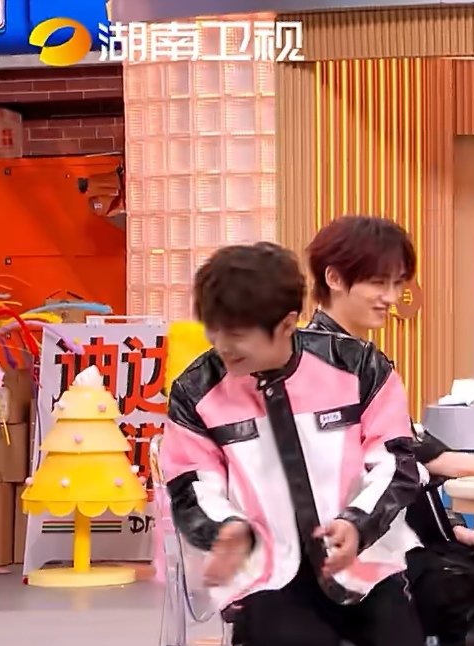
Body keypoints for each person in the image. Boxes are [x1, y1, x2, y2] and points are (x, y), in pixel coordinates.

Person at [302, 215, 474, 644]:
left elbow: (409, 447)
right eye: (378, 283)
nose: (392, 298)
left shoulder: (361, 359)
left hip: (415, 541)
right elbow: (381, 463)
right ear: (333, 278)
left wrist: (451, 525)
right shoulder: (314, 366)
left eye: (397, 284)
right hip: (362, 554)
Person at [160, 242, 427, 646]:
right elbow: (191, 485)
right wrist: (227, 529)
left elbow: (396, 463)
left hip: (363, 564)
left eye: (236, 335)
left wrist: (357, 523)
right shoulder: (195, 392)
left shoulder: (359, 367)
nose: (222, 346)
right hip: (266, 578)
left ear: (286, 325)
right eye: (213, 331)